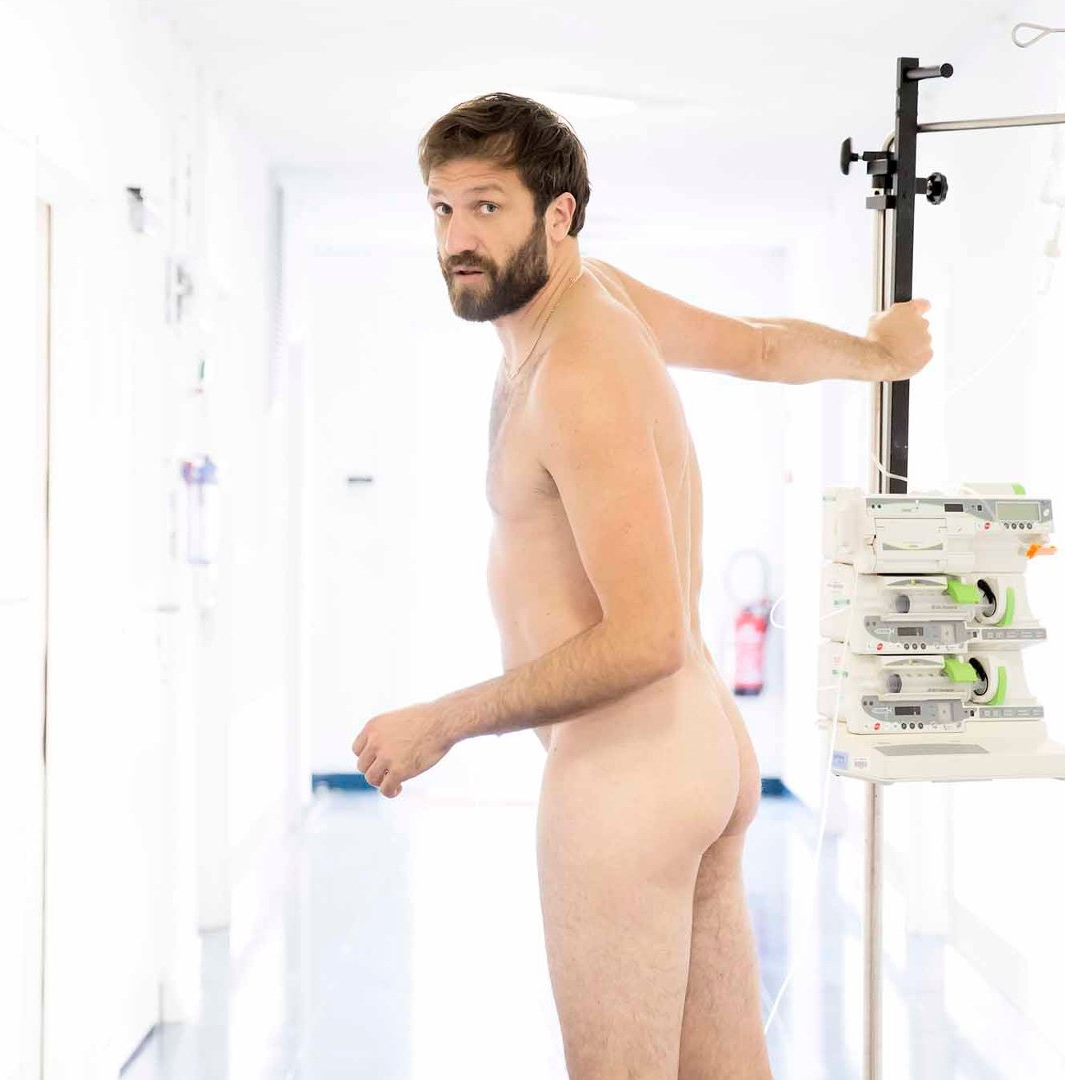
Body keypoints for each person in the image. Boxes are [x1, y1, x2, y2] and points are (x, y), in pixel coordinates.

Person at [350, 92, 933, 1079]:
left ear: (559, 215)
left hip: (627, 769)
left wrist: (442, 722)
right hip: (686, 748)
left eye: (487, 207)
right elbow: (755, 346)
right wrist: (879, 355)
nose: (457, 238)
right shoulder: (590, 303)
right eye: (442, 209)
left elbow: (645, 635)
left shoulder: (578, 367)